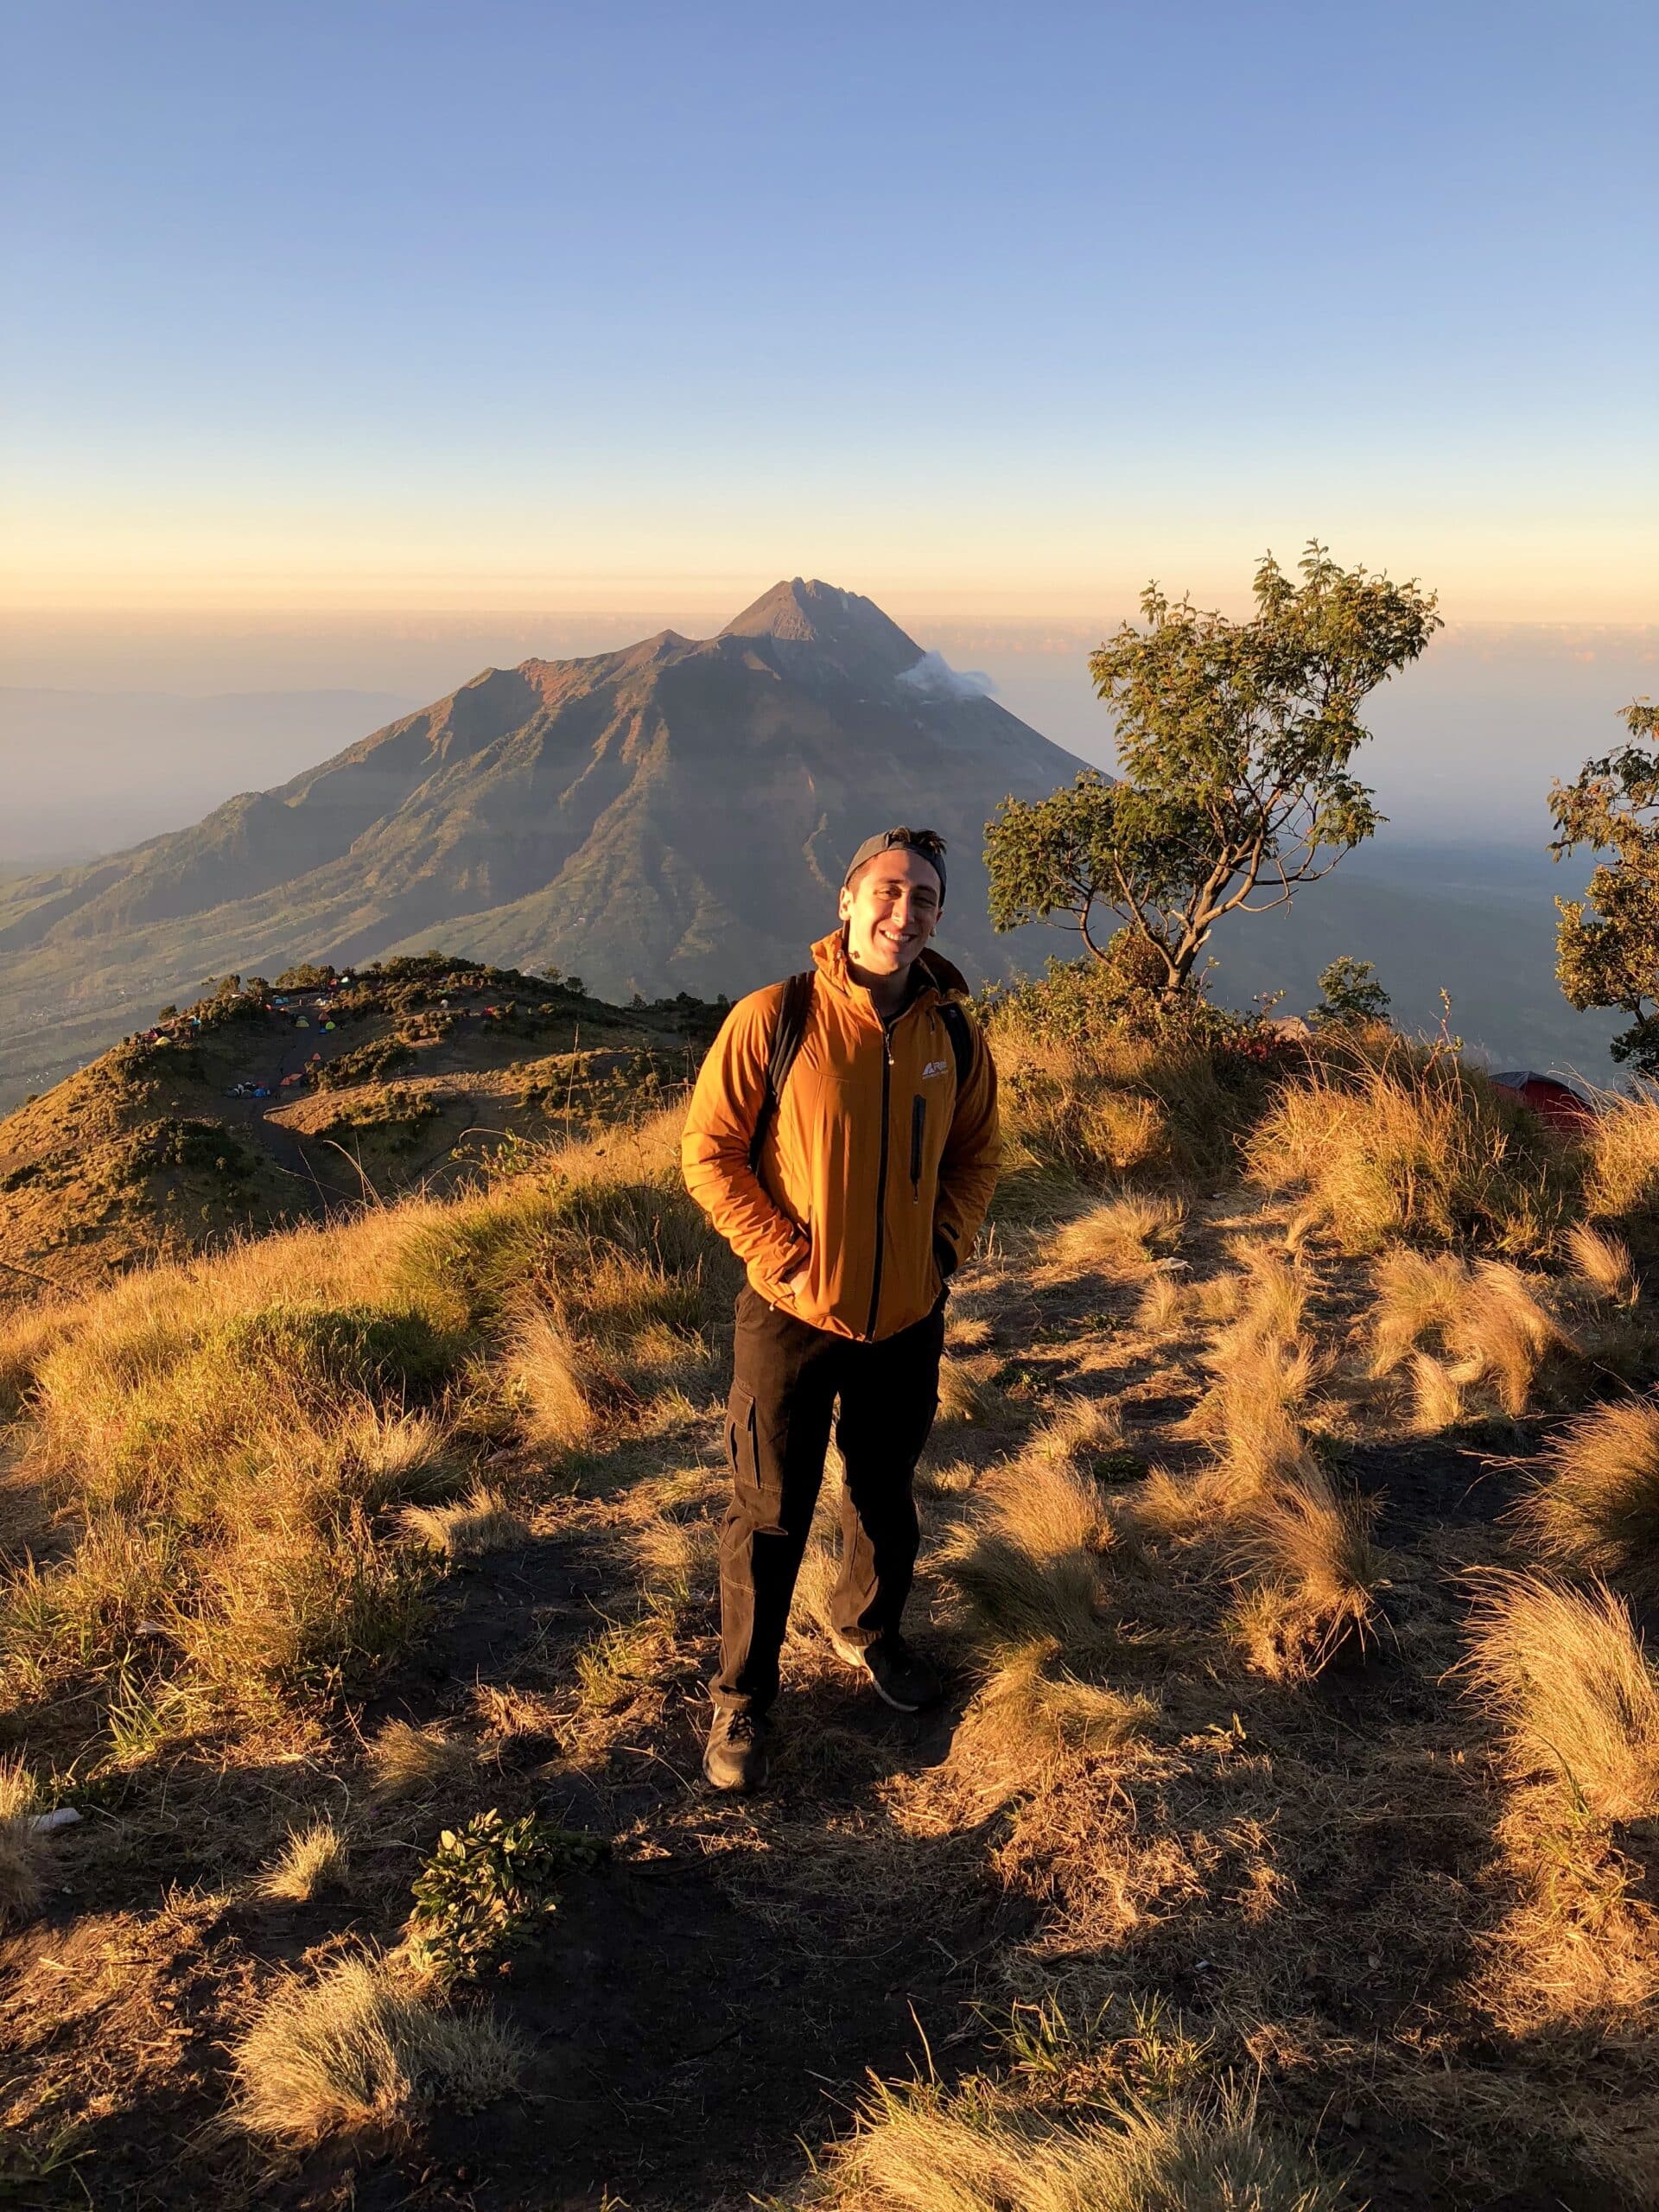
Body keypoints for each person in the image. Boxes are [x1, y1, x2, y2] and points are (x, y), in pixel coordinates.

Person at [681, 827, 1001, 1792]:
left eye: (927, 900)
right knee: (768, 1512)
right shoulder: (775, 1019)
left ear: (939, 916)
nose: (907, 913)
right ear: (850, 900)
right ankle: (742, 1698)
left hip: (907, 1312)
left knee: (884, 1493)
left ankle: (871, 1633)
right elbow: (710, 1152)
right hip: (788, 1315)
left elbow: (976, 1155)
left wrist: (941, 1248)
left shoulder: (952, 1034)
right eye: (891, 892)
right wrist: (782, 1253)